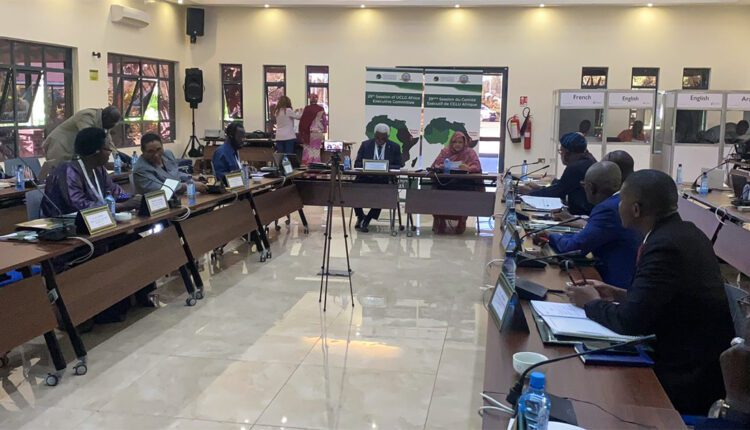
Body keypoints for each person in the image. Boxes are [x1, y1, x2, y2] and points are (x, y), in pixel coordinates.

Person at [566, 170, 735, 415]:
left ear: (635, 209)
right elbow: (665, 299)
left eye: (621, 201)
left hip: (684, 375)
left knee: (593, 392)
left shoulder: (664, 247)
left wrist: (590, 303)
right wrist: (617, 294)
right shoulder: (685, 232)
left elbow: (630, 322)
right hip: (686, 353)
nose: (618, 206)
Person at [533, 161, 640, 289]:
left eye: (584, 185)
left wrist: (549, 236)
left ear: (591, 187)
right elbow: (584, 237)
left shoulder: (607, 209)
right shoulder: (618, 201)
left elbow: (573, 248)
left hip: (614, 284)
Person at [42, 127, 141, 216]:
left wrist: (133, 198)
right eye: (108, 149)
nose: (110, 153)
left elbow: (116, 192)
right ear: (96, 151)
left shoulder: (99, 169)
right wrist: (122, 206)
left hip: (95, 220)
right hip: (66, 224)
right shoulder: (68, 171)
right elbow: (79, 205)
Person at [519, 132, 596, 216]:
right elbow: (565, 185)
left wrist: (527, 194)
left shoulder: (576, 167)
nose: (561, 155)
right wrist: (540, 188)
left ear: (567, 153)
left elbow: (558, 192)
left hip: (583, 215)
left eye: (561, 151)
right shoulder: (588, 159)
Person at [430, 131, 482, 234]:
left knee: (463, 197)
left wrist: (468, 168)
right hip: (446, 184)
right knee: (438, 195)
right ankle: (441, 221)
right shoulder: (445, 152)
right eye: (454, 142)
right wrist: (442, 166)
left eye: (460, 142)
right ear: (451, 143)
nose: (457, 144)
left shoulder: (470, 152)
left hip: (463, 185)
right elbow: (435, 165)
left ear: (464, 143)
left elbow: (477, 166)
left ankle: (461, 221)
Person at [353, 123, 402, 233]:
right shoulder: (365, 145)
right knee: (354, 188)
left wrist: (384, 166)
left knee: (384, 192)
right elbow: (357, 163)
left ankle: (368, 219)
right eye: (377, 137)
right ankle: (360, 216)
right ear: (374, 135)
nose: (380, 140)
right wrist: (368, 165)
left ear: (387, 137)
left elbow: (399, 165)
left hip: (383, 179)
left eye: (383, 138)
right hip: (365, 177)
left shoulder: (394, 147)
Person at [133, 133, 207, 195]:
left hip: (180, 197)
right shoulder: (140, 169)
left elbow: (175, 173)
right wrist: (189, 186)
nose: (156, 155)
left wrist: (192, 178)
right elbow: (161, 189)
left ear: (162, 146)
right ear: (142, 150)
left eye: (159, 149)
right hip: (160, 203)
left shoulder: (167, 154)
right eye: (150, 151)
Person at [43, 106, 121, 164]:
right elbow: (90, 139)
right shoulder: (86, 116)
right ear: (105, 117)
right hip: (59, 145)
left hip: (71, 147)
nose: (112, 126)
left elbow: (108, 142)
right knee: (61, 173)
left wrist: (118, 157)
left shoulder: (105, 122)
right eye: (111, 123)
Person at [298, 93, 327, 165]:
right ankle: (316, 166)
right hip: (318, 133)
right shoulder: (321, 109)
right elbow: (324, 121)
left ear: (310, 100)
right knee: (316, 151)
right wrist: (324, 130)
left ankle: (307, 166)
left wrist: (301, 133)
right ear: (317, 100)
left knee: (307, 151)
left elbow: (303, 122)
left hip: (309, 133)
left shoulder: (307, 108)